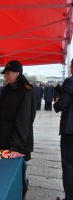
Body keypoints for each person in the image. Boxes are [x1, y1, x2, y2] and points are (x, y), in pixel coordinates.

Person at [0, 60, 37, 161]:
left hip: (16, 143)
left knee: (15, 171)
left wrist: (15, 146)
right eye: (5, 73)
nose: (5, 76)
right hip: (3, 138)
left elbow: (24, 121)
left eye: (8, 73)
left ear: (17, 73)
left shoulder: (26, 91)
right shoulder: (7, 89)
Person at [54, 59, 73, 200]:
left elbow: (62, 104)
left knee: (69, 166)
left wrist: (57, 102)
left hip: (70, 131)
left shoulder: (70, 81)